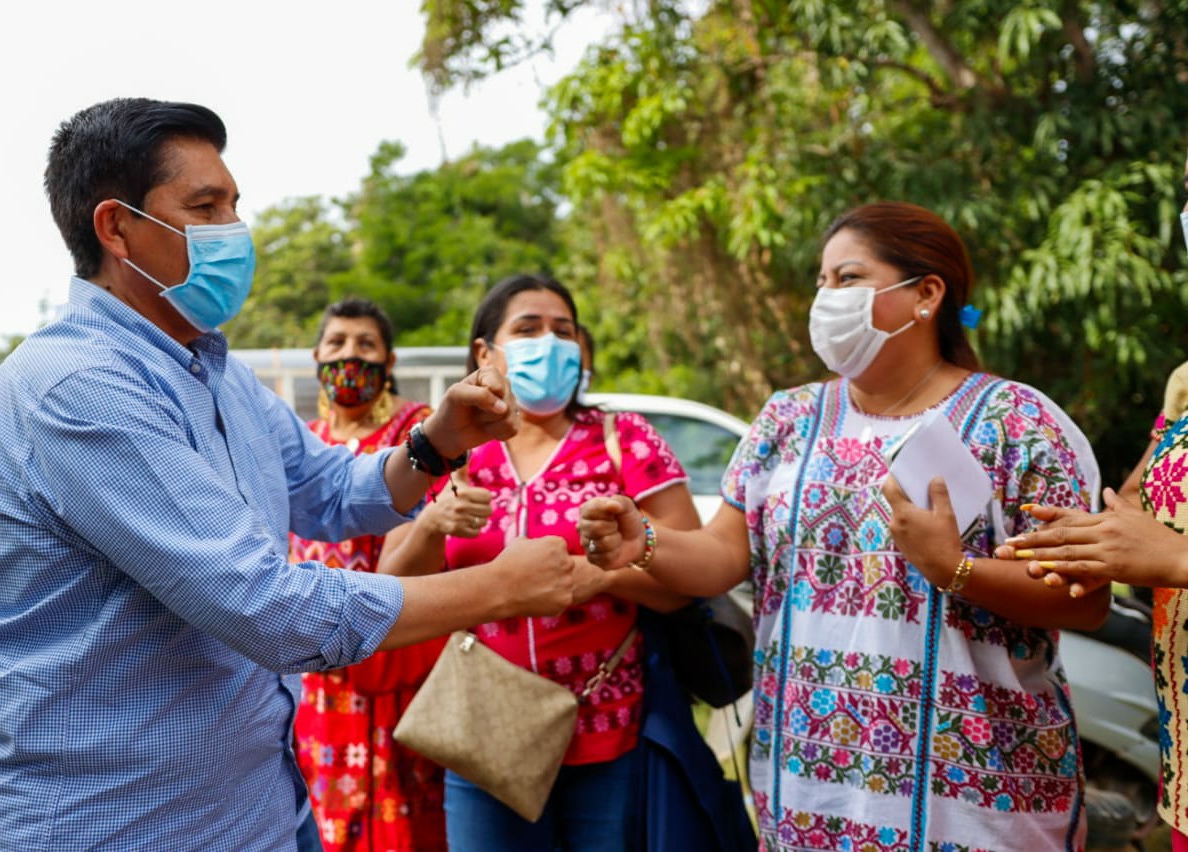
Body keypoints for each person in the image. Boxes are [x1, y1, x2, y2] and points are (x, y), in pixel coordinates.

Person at [0, 97, 576, 850]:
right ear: (117, 228)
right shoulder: (73, 387)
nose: (235, 231)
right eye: (205, 207)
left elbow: (330, 492)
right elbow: (267, 607)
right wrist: (502, 587)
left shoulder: (217, 373)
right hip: (110, 825)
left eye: (234, 205)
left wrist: (436, 440)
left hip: (256, 812)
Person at [578, 202, 1110, 850]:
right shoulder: (787, 419)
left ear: (926, 295)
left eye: (848, 278)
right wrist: (647, 542)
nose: (825, 299)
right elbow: (723, 554)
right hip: (811, 797)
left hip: (979, 801)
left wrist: (956, 570)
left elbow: (1085, 598)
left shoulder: (1019, 424)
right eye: (822, 281)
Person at [380, 273, 701, 850]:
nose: (549, 343)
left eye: (564, 331)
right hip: (482, 732)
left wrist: (604, 576)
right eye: (527, 329)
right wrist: (430, 526)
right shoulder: (447, 447)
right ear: (485, 352)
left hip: (605, 730)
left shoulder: (623, 437)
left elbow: (688, 578)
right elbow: (388, 593)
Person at [994, 153, 1188, 847]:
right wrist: (1087, 543)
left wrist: (1175, 557)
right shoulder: (1185, 385)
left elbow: (1168, 548)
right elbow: (1133, 508)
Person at [292, 297, 462, 851]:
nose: (350, 355)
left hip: (391, 652)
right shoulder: (303, 440)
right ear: (317, 355)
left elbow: (416, 551)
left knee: (404, 815)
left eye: (366, 345)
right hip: (315, 675)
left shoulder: (413, 435)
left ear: (389, 362)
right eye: (338, 343)